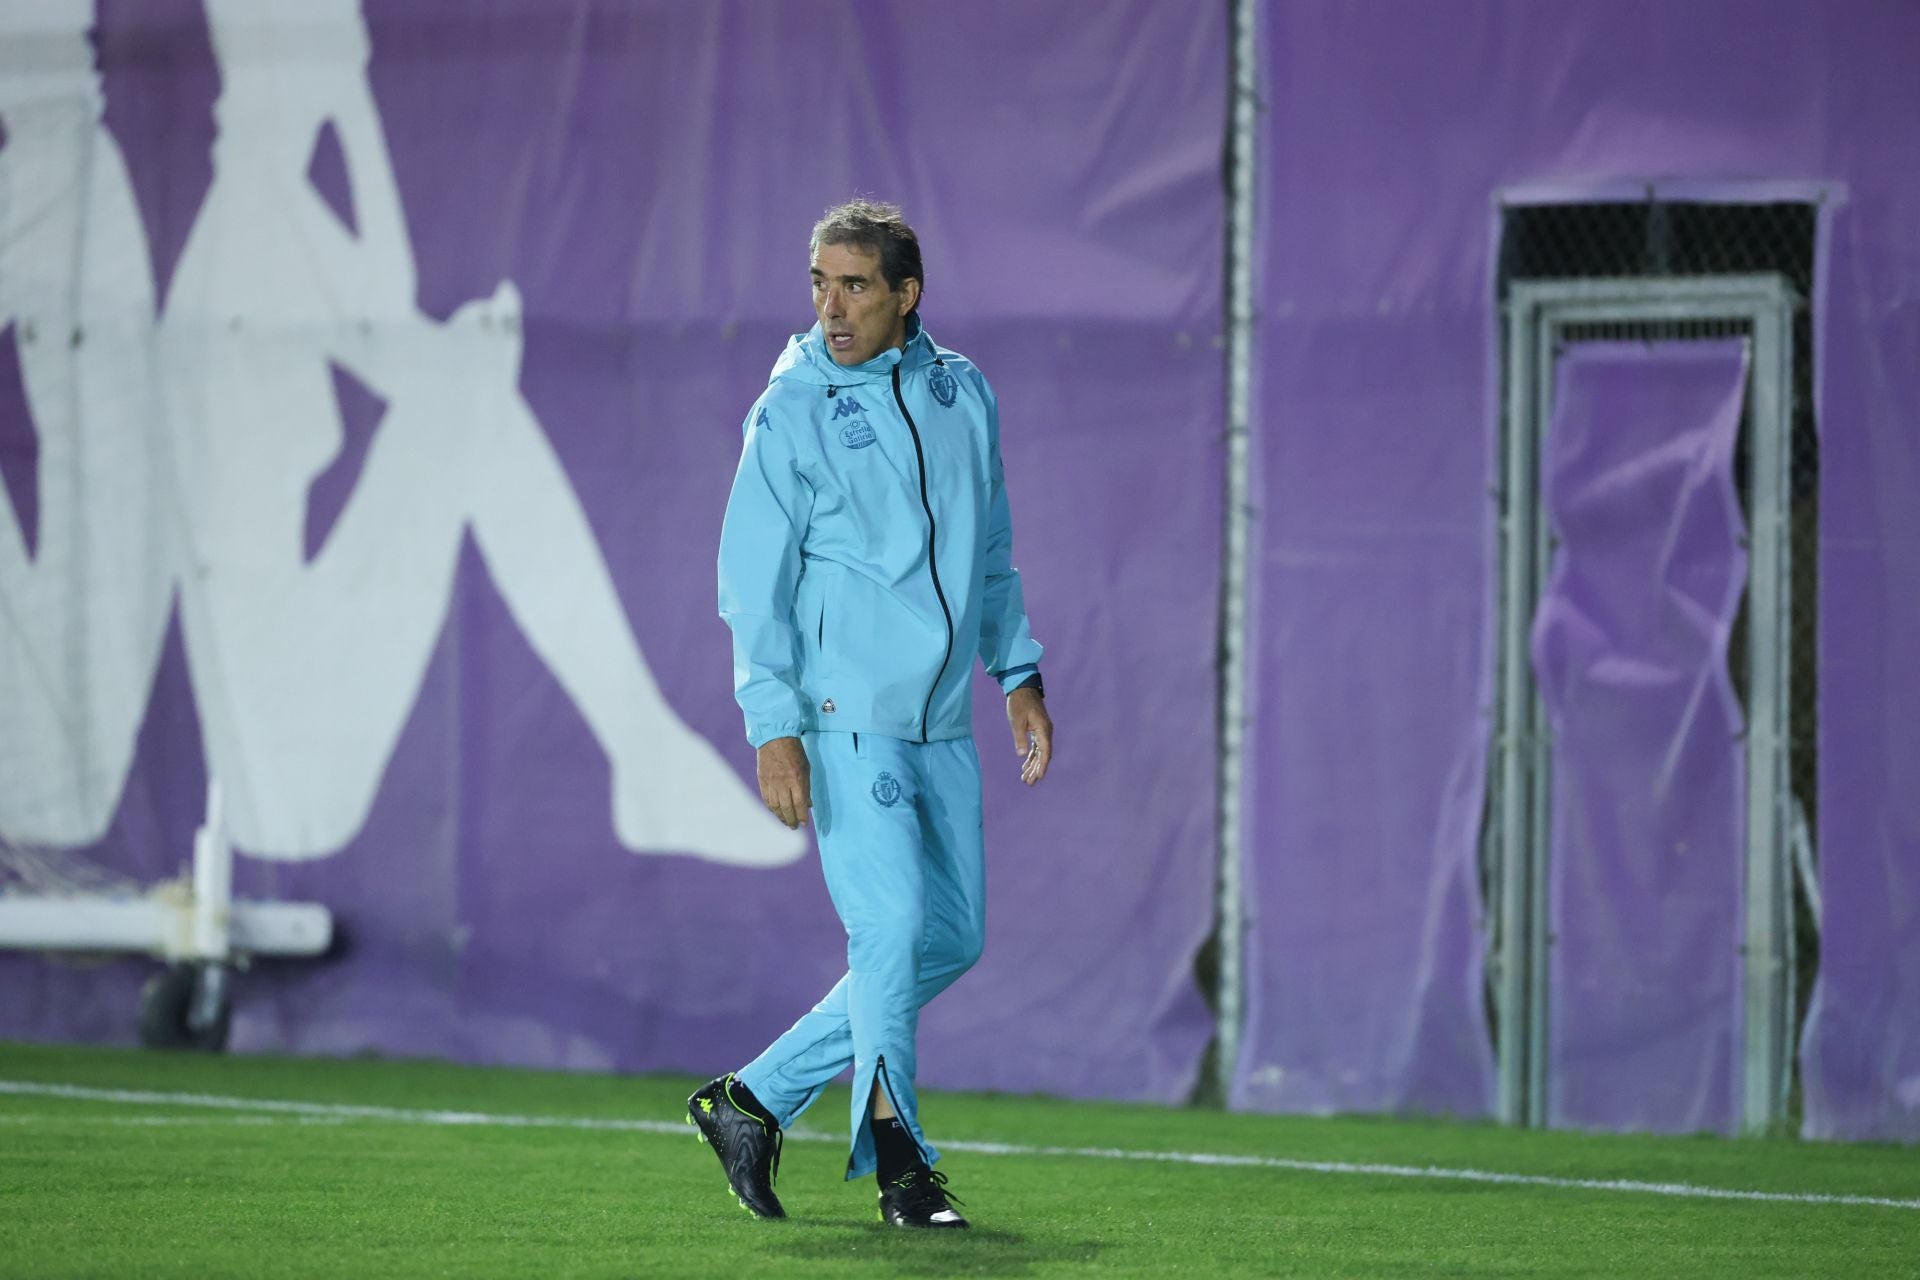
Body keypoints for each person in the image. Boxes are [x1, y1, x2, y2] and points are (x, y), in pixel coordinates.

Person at [692, 200, 1052, 1229]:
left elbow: (991, 548)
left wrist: (1017, 671)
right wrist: (773, 725)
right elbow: (751, 586)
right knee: (890, 927)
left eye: (854, 285)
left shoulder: (962, 391)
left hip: (941, 722)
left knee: (951, 937)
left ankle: (751, 1100)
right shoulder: (791, 409)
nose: (831, 307)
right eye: (820, 283)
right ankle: (902, 1163)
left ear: (907, 294)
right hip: (843, 713)